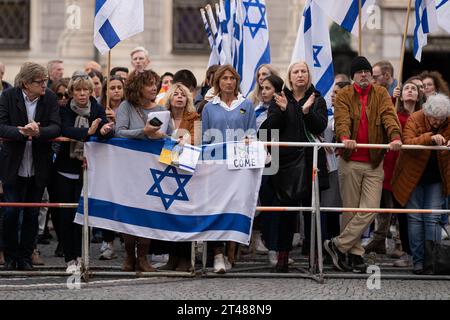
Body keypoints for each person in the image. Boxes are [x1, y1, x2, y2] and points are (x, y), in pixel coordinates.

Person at [324, 56, 402, 273]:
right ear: (353, 76)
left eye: (367, 71)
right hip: (350, 161)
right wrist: (345, 138)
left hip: (374, 161)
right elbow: (341, 120)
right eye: (360, 72)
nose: (365, 74)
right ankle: (355, 254)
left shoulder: (381, 94)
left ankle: (337, 244)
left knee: (370, 208)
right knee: (350, 210)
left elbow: (389, 116)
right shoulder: (345, 95)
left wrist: (395, 137)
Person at [262, 61, 329, 272]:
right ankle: (283, 255)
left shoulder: (317, 99)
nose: (300, 75)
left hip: (312, 162)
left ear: (309, 76)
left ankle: (314, 257)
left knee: (312, 211)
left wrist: (307, 112)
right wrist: (282, 111)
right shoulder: (280, 98)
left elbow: (320, 126)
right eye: (296, 72)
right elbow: (271, 126)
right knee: (287, 213)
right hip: (287, 164)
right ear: (290, 77)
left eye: (304, 71)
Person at [0, 62, 61, 270]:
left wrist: (39, 132)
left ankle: (26, 256)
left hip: (38, 165)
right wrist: (21, 132)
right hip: (13, 165)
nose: (45, 84)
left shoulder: (50, 98)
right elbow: (1, 126)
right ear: (26, 83)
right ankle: (10, 256)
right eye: (40, 81)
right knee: (10, 213)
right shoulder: (8, 96)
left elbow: (56, 126)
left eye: (45, 80)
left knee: (32, 214)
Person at [53, 71, 114, 272]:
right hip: (64, 169)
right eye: (77, 90)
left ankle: (80, 256)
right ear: (71, 92)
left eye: (85, 90)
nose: (81, 94)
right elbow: (64, 130)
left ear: (90, 91)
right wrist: (87, 132)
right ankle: (69, 258)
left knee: (82, 215)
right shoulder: (64, 109)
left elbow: (106, 128)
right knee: (65, 215)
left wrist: (105, 130)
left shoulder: (96, 108)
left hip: (86, 169)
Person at [202, 64, 256, 273]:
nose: (228, 82)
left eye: (232, 78)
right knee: (216, 210)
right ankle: (217, 254)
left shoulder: (247, 105)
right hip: (215, 167)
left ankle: (231, 250)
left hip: (238, 167)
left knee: (235, 208)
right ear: (218, 82)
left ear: (236, 82)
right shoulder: (209, 107)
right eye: (224, 78)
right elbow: (205, 139)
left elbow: (251, 134)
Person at [115, 69, 171, 272]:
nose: (154, 87)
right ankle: (130, 257)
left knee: (148, 212)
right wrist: (143, 132)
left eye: (155, 83)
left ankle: (143, 258)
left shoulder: (162, 109)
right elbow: (119, 132)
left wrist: (161, 137)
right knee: (130, 213)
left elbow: (170, 136)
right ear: (138, 87)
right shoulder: (126, 107)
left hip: (153, 168)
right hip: (129, 169)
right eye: (149, 84)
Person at [364, 79, 423, 260]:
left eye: (414, 89)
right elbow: (381, 118)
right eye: (407, 88)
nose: (410, 91)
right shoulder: (394, 111)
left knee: (403, 206)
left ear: (419, 95)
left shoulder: (422, 115)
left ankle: (401, 243)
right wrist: (391, 99)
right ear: (401, 93)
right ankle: (379, 239)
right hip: (390, 162)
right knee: (384, 204)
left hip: (409, 165)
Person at [392, 93, 450, 274]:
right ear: (427, 113)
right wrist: (430, 138)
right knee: (415, 218)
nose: (437, 123)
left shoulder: (447, 121)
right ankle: (417, 261)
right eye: (434, 119)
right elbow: (408, 142)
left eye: (441, 120)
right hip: (412, 178)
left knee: (432, 219)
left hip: (436, 179)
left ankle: (432, 261)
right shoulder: (415, 118)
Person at [158, 83, 200, 272]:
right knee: (169, 214)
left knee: (185, 214)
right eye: (176, 94)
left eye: (183, 94)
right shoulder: (162, 117)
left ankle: (185, 257)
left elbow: (199, 140)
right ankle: (172, 257)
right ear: (170, 98)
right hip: (165, 170)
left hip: (187, 172)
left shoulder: (195, 117)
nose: (180, 97)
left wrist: (186, 139)